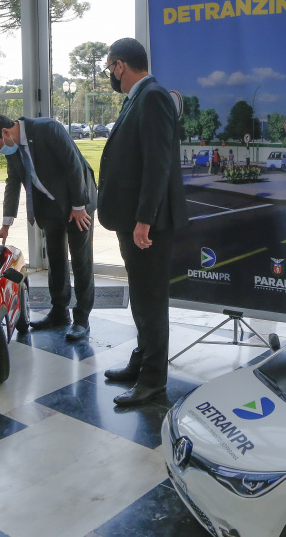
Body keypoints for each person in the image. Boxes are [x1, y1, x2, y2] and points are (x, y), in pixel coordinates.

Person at [97, 38, 188, 406]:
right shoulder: (138, 97)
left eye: (110, 68)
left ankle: (153, 381)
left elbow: (157, 165)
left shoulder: (152, 97)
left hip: (149, 224)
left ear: (120, 65)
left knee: (150, 301)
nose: (110, 75)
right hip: (133, 219)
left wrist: (143, 220)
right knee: (141, 295)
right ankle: (141, 360)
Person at [0, 112, 97, 341]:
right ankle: (59, 312)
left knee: (81, 260)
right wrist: (6, 224)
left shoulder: (48, 129)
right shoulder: (13, 148)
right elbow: (13, 182)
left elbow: (73, 165)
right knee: (55, 258)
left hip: (78, 201)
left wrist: (79, 206)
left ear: (5, 132)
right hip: (50, 207)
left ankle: (82, 319)